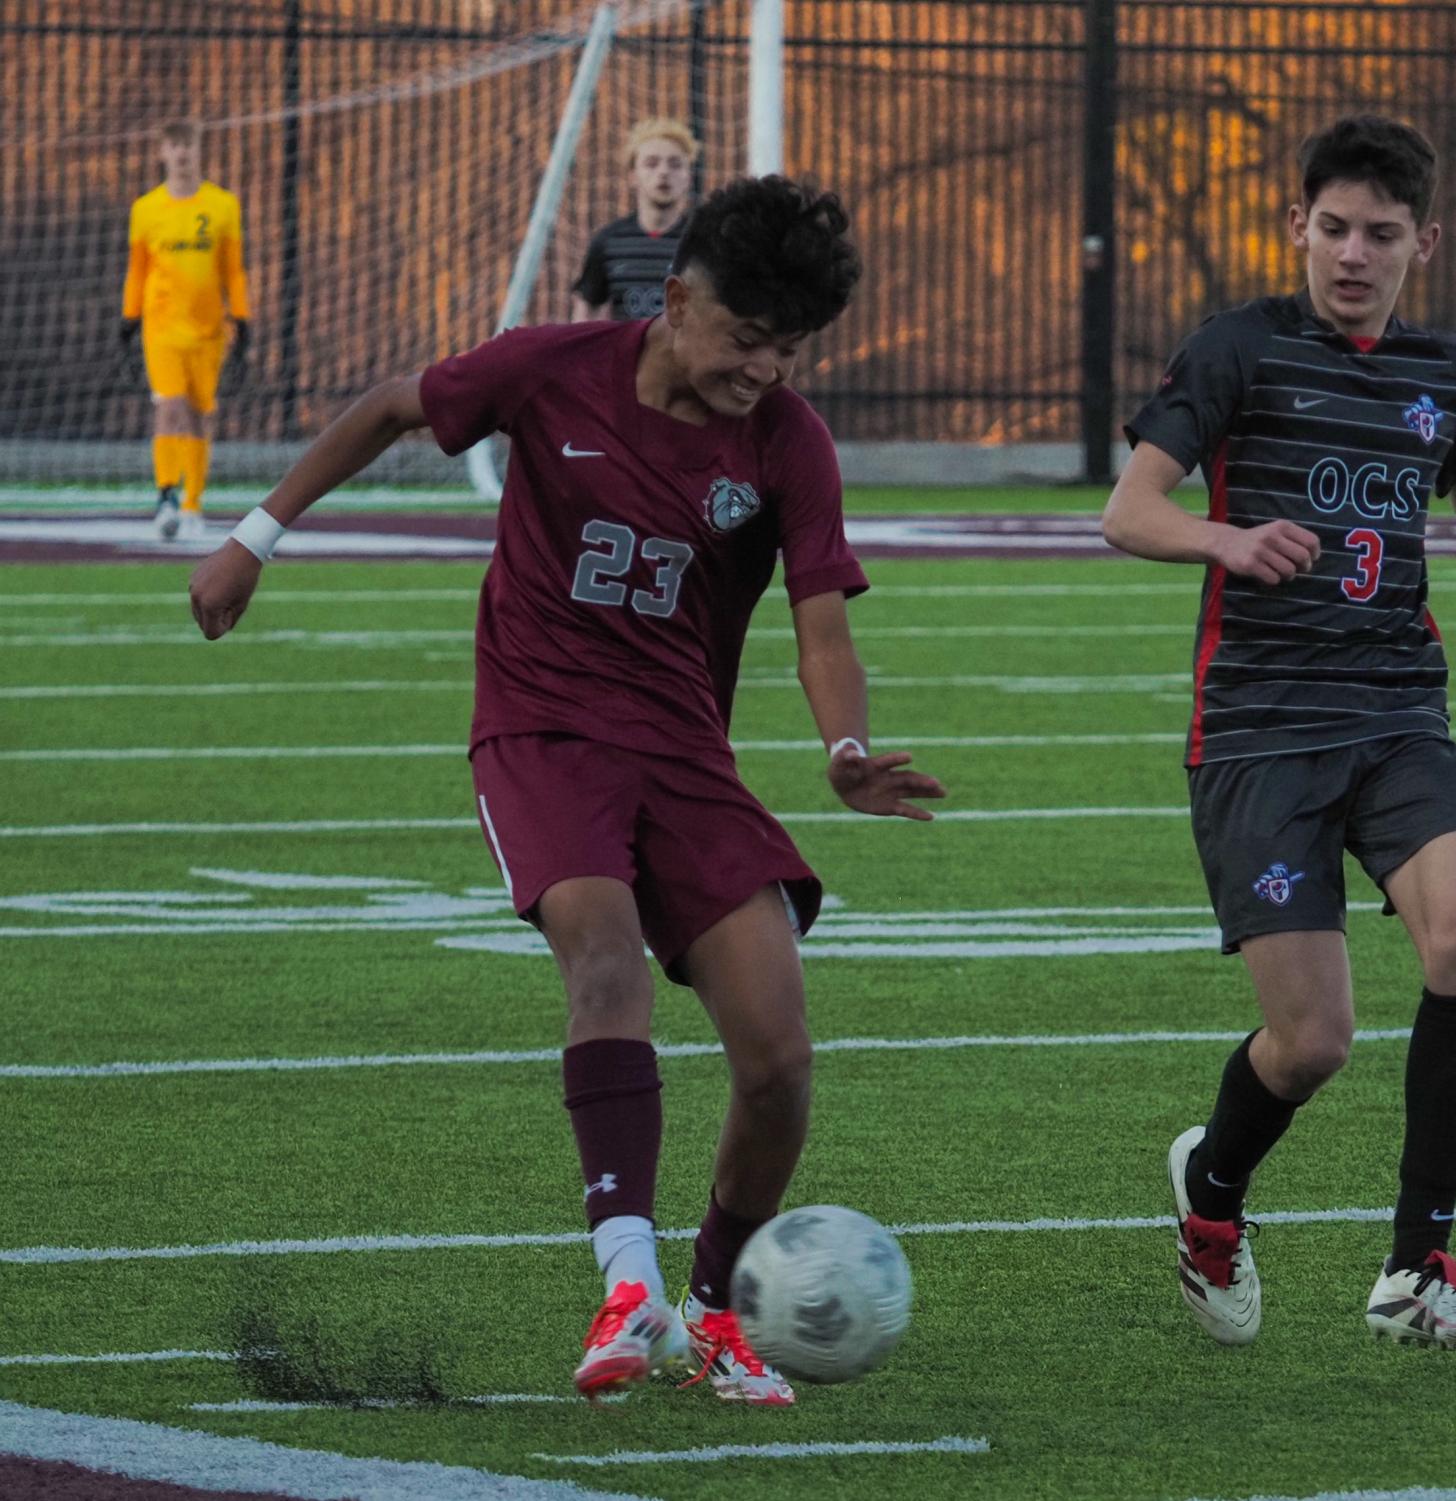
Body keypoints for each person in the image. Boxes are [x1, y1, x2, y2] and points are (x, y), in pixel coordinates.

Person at [189, 176, 945, 1405]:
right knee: (604, 959)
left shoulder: (786, 440)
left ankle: (711, 1308)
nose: (766, 368)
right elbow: (392, 406)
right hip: (540, 729)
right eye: (748, 339)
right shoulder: (551, 370)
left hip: (685, 752)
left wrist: (846, 751)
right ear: (679, 299)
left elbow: (821, 626)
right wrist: (254, 538)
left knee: (780, 1052)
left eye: (790, 348)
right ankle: (628, 1279)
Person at [1103, 115, 1456, 1356]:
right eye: (1333, 228)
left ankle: (1417, 1265)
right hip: (1259, 736)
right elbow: (1131, 509)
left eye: (1380, 235)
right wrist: (1225, 539)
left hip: (1397, 711)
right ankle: (1215, 1194)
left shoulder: (1439, 368)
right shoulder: (1237, 350)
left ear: (1421, 243)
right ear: (1298, 227)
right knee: (1314, 1040)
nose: (1353, 253)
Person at [122, 120, 250, 541]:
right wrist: (129, 318)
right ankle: (165, 496)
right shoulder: (146, 209)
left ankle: (194, 502)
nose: (181, 154)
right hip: (161, 329)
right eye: (173, 146)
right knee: (169, 407)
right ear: (162, 152)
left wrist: (243, 320)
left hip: (208, 329)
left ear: (198, 150)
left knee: (199, 415)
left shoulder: (223, 205)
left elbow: (233, 269)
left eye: (187, 146)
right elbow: (138, 271)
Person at [572, 119, 699, 322]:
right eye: (651, 164)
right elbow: (586, 310)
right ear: (633, 176)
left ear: (688, 177)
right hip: (628, 353)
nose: (664, 172)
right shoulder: (609, 242)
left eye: (675, 164)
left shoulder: (701, 242)